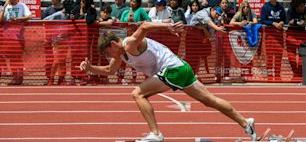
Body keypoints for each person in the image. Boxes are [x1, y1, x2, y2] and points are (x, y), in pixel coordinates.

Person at [78, 21, 257, 141]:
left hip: (173, 69)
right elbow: (110, 70)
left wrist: (168, 26)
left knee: (138, 94)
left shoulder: (129, 44)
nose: (109, 57)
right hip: (181, 68)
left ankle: (156, 134)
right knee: (209, 100)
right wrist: (90, 68)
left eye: (108, 53)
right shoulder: (120, 55)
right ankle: (245, 123)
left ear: (112, 45)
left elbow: (145, 26)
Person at [0, 0, 32, 85]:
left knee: (18, 57)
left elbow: (29, 16)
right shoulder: (6, 6)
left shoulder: (22, 5)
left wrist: (18, 19)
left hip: (18, 37)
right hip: (7, 37)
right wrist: (4, 7)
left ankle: (19, 77)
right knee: (10, 57)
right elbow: (1, 20)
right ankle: (15, 76)